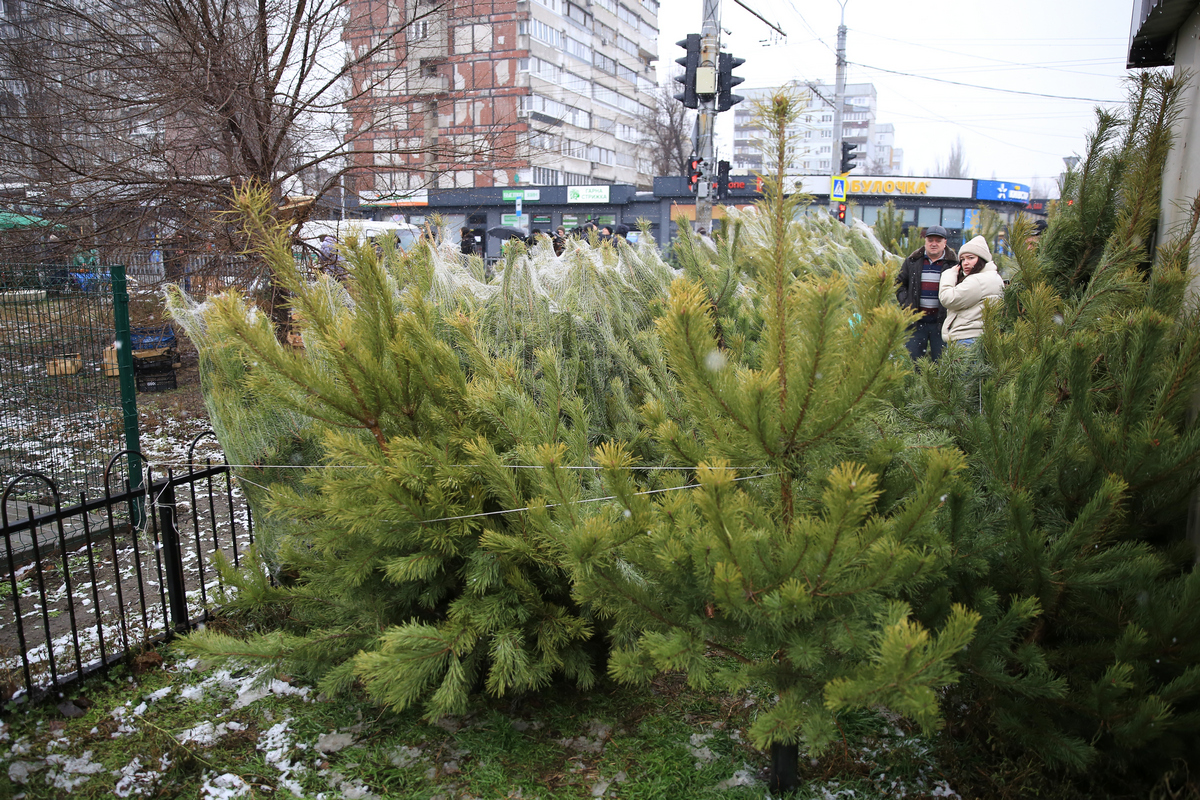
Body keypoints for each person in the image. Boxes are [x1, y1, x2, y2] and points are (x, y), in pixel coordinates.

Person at [895, 225, 958, 361]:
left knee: (941, 365)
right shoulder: (912, 261)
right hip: (915, 323)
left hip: (942, 323)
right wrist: (907, 304)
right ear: (925, 241)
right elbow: (899, 285)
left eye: (938, 240)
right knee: (912, 363)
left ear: (945, 243)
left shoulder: (953, 264)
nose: (933, 244)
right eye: (930, 240)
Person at [939, 235, 1004, 348]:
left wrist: (948, 275)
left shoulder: (977, 280)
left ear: (982, 259)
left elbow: (948, 299)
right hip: (980, 337)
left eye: (970, 258)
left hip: (967, 339)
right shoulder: (993, 277)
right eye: (962, 259)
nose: (965, 263)